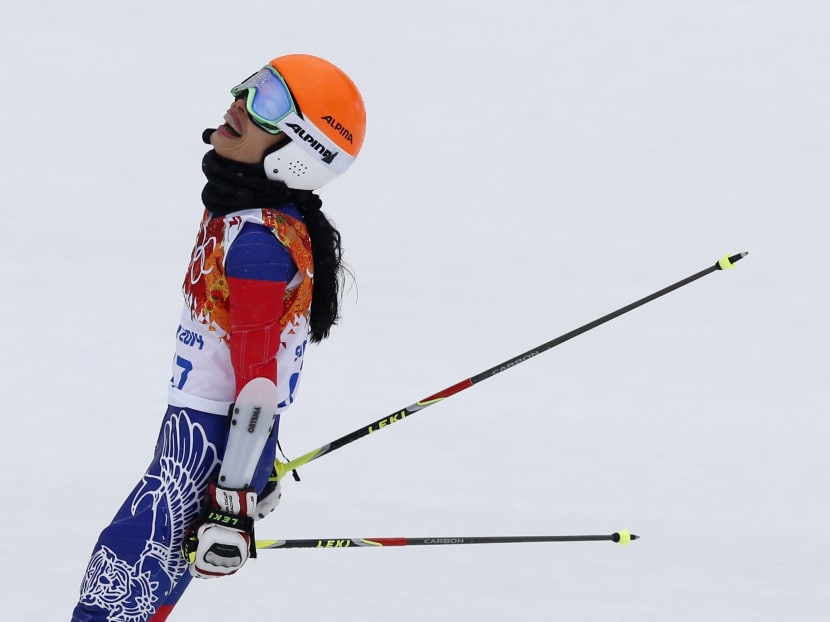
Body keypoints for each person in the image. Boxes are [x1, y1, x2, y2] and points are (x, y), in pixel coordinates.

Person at [71, 53, 367, 622]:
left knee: (111, 599)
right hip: (214, 441)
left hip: (206, 449)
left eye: (269, 103)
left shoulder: (256, 244)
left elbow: (258, 386)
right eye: (253, 84)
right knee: (133, 599)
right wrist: (254, 471)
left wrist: (232, 501)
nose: (240, 100)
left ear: (299, 151)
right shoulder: (252, 215)